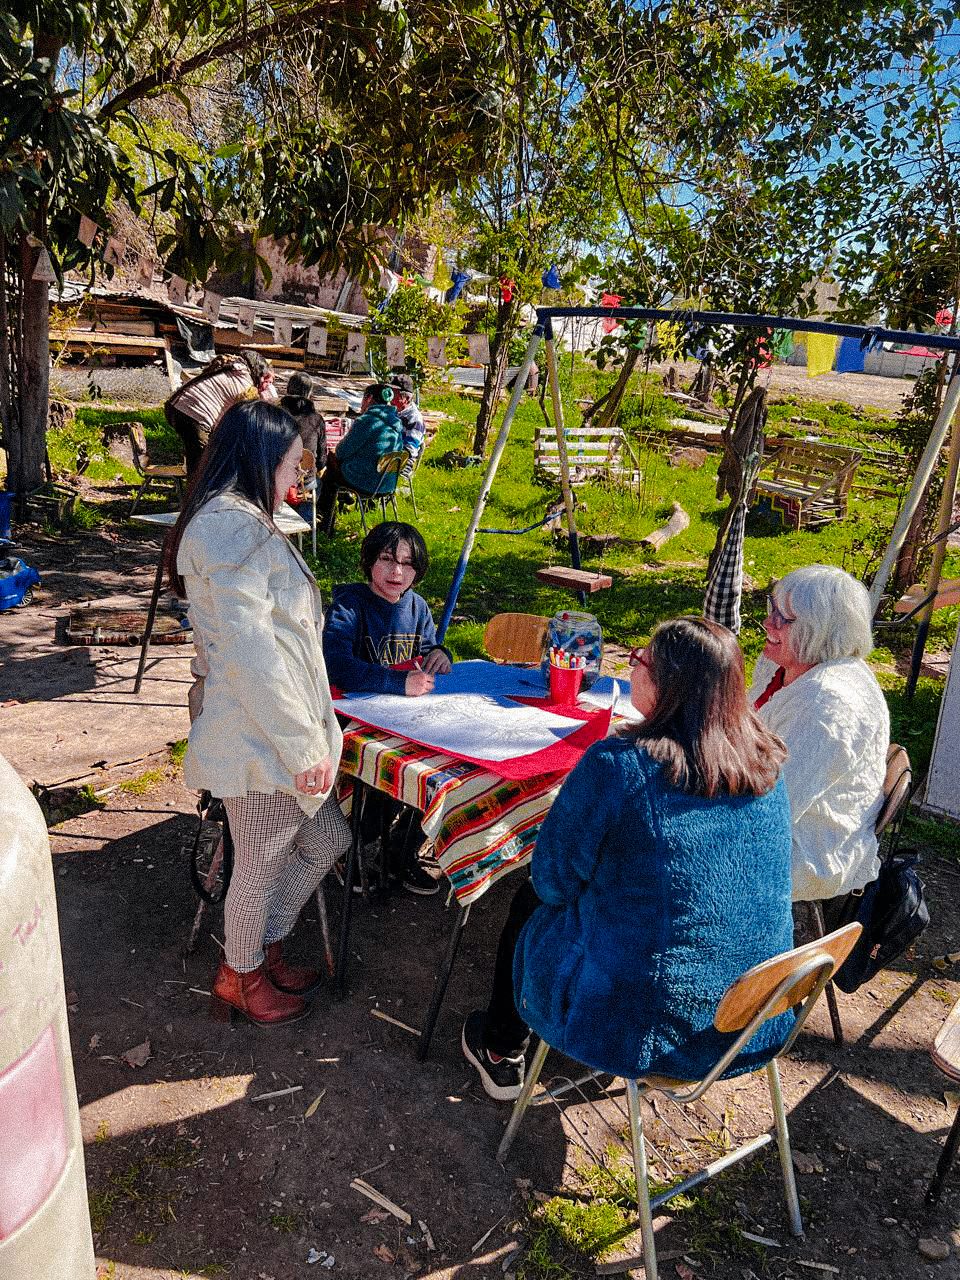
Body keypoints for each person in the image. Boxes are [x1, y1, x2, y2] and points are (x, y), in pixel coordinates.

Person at [462, 616, 795, 1102]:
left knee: (529, 901)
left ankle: (500, 1046)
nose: (631, 666)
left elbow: (551, 880)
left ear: (666, 686)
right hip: (756, 1016)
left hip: (646, 1028)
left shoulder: (617, 766)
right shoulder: (767, 761)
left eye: (639, 659)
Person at [166, 400, 351, 1026]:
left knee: (325, 838)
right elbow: (251, 657)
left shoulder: (242, 522)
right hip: (260, 736)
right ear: (261, 458)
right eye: (293, 464)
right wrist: (302, 746)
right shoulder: (227, 529)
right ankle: (239, 975)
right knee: (260, 863)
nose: (298, 477)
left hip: (277, 728)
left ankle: (261, 948)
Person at [749, 564, 890, 920]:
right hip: (769, 815)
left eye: (783, 619)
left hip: (806, 853)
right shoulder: (784, 666)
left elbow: (770, 808)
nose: (767, 623)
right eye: (771, 609)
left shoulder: (826, 705)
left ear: (820, 631)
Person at [323, 521, 453, 894]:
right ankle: (350, 847)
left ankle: (401, 852)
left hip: (405, 720)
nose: (397, 571)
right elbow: (336, 665)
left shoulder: (417, 607)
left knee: (436, 774)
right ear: (369, 560)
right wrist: (398, 683)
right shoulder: (350, 604)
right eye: (386, 559)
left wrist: (440, 653)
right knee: (385, 782)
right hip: (353, 723)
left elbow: (427, 648)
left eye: (407, 563)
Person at [164, 349, 277, 477]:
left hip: (178, 406)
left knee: (202, 455)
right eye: (267, 380)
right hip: (193, 413)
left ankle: (195, 483)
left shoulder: (235, 370)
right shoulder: (245, 383)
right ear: (260, 373)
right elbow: (243, 419)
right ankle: (197, 487)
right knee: (203, 464)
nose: (267, 386)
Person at [316, 382, 403, 535]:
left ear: (369, 398)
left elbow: (342, 452)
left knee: (331, 461)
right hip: (387, 482)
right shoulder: (396, 422)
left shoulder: (367, 421)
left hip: (366, 481)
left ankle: (324, 522)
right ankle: (342, 499)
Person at [281, 370, 327, 461]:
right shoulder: (317, 420)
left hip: (279, 468)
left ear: (288, 389)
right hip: (306, 469)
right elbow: (322, 460)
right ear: (309, 393)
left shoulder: (276, 414)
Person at [388, 373, 426, 474]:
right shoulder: (393, 411)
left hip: (400, 463)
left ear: (406, 398)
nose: (391, 398)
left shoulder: (414, 419)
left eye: (394, 394)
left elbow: (409, 450)